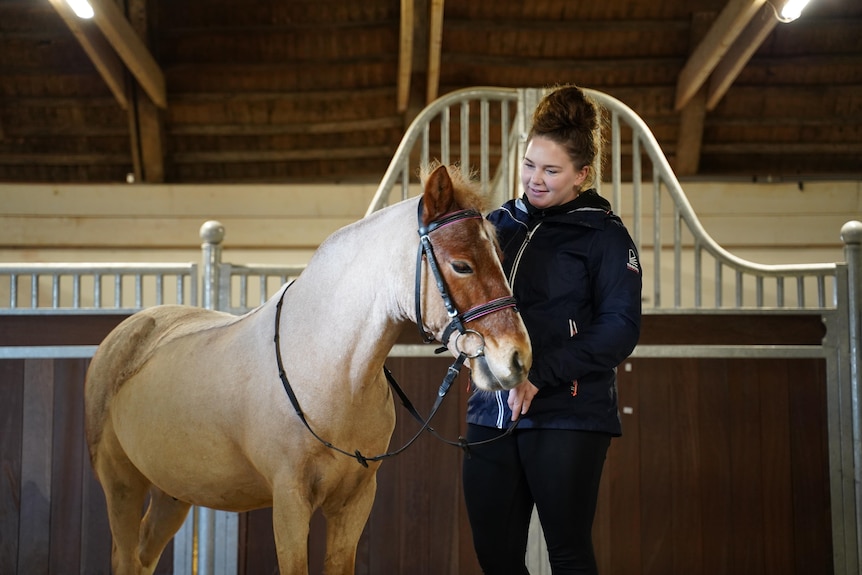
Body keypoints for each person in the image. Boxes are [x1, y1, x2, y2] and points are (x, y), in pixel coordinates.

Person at [462, 84, 642, 575]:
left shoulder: (604, 235)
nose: (534, 180)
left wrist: (541, 375)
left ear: (581, 174)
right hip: (491, 411)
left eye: (551, 170)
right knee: (495, 556)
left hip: (569, 412)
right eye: (529, 165)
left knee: (567, 553)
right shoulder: (496, 225)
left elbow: (620, 327)